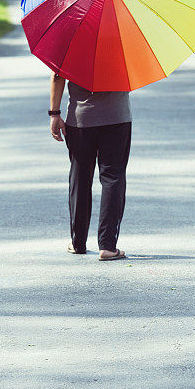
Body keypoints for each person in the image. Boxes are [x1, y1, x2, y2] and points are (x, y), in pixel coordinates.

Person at [48, 71, 132, 261]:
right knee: (113, 177)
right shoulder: (125, 42)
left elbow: (56, 76)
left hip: (80, 120)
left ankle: (78, 243)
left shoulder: (71, 42)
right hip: (117, 117)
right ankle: (108, 246)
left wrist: (54, 114)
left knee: (80, 177)